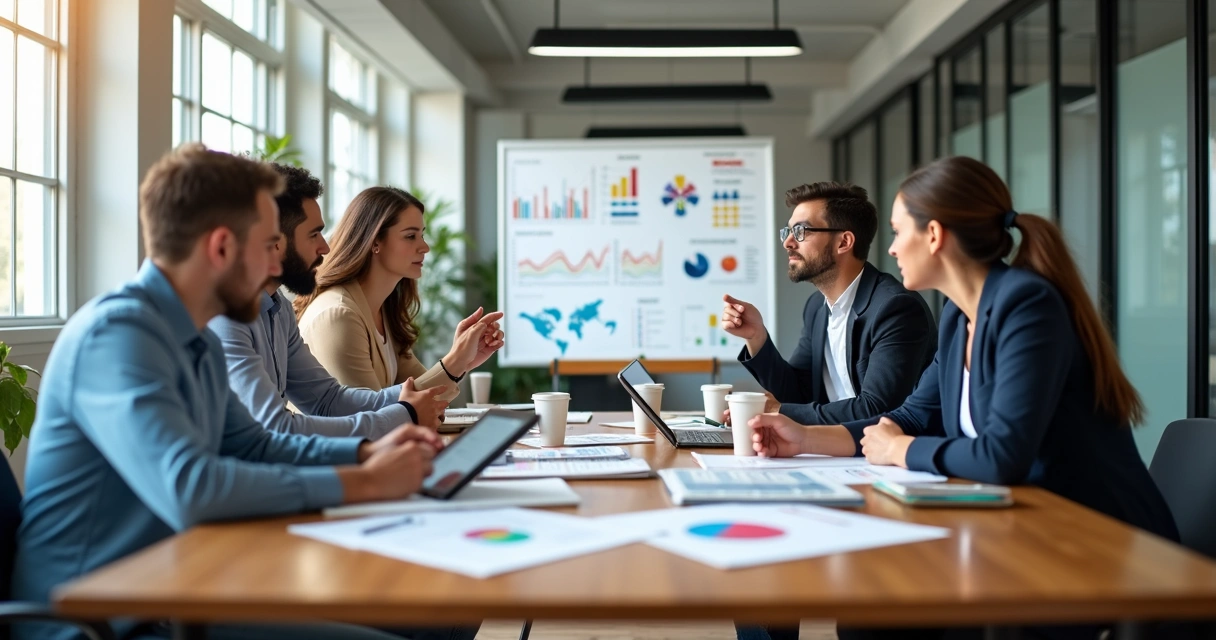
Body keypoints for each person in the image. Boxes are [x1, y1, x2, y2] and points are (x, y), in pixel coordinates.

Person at [12, 144, 475, 640]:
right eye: (269, 245)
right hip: (97, 623)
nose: (278, 266)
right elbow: (190, 488)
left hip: (176, 590)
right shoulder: (118, 336)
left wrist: (367, 453)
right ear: (220, 249)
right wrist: (362, 481)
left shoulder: (197, 335)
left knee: (444, 616)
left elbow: (255, 444)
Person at [750, 156, 1179, 640]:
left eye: (898, 232)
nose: (890, 248)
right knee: (868, 613)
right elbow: (912, 416)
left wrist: (902, 449)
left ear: (934, 235)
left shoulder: (1027, 305)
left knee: (880, 615)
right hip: (1018, 527)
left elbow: (1002, 455)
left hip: (1094, 543)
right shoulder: (959, 315)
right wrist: (805, 438)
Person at [209, 164, 445, 436]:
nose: (325, 247)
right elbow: (275, 427)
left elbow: (326, 400)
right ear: (274, 241)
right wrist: (404, 414)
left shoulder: (278, 307)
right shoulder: (225, 318)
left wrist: (407, 400)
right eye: (313, 234)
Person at [722, 182, 937, 426]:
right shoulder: (816, 307)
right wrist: (756, 337)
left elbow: (877, 410)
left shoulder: (895, 308)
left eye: (801, 231)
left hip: (883, 446)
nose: (788, 242)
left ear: (844, 242)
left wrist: (777, 410)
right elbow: (798, 393)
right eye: (788, 231)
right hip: (831, 446)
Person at [294, 186, 503, 400]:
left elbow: (430, 400)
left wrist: (463, 362)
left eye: (421, 235)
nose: (424, 247)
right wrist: (455, 361)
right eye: (410, 236)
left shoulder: (382, 310)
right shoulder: (339, 316)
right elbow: (370, 412)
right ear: (375, 241)